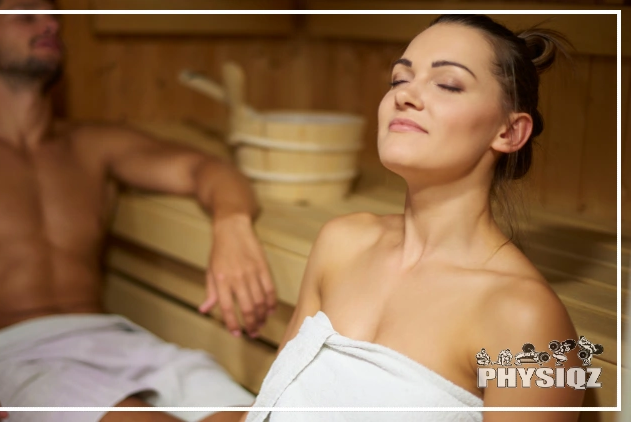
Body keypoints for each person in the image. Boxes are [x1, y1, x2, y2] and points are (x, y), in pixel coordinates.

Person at [0, 0, 279, 421]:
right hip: (14, 356)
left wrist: (232, 225)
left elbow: (208, 170)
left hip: (120, 340)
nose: (50, 23)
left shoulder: (91, 145)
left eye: (53, 15)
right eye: (26, 15)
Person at [243, 15, 585, 422]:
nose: (404, 96)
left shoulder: (524, 317)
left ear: (509, 132)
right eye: (399, 80)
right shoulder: (342, 243)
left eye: (448, 84)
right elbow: (269, 407)